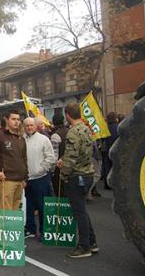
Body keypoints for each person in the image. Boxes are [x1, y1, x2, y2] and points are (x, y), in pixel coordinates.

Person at [57, 103, 98, 258]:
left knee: (79, 213)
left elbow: (71, 158)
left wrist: (63, 175)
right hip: (88, 173)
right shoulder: (87, 129)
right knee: (82, 211)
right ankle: (92, 242)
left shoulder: (73, 132)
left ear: (67, 114)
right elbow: (83, 152)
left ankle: (84, 246)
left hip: (77, 176)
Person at [0, 109, 28, 211]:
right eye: (13, 119)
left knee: (16, 214)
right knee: (6, 214)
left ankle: (15, 228)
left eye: (18, 119)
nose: (16, 121)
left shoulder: (21, 138)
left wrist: (25, 177)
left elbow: (24, 159)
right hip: (6, 179)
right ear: (6, 120)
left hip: (20, 180)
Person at [23, 117, 56, 239]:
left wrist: (41, 169)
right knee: (29, 206)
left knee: (42, 206)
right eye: (27, 126)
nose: (29, 128)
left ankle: (43, 231)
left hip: (40, 178)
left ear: (36, 126)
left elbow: (50, 157)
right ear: (24, 127)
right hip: (27, 179)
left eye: (31, 125)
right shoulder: (22, 139)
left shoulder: (44, 139)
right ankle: (30, 229)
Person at [50, 112, 69, 197]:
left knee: (59, 193)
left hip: (59, 168)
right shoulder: (69, 131)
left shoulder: (55, 134)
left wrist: (52, 170)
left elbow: (55, 155)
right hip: (69, 165)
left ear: (53, 122)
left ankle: (61, 210)